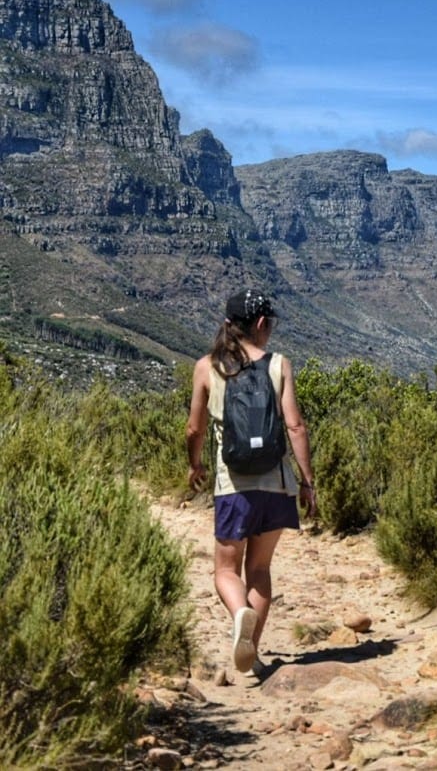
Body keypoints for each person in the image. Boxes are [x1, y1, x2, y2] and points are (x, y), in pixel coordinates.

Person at [185, 289, 318, 677]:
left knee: (226, 571)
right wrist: (307, 482)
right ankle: (253, 653)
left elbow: (194, 428)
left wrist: (194, 465)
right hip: (277, 484)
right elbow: (295, 425)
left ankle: (239, 612)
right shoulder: (280, 365)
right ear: (261, 325)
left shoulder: (206, 367)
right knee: (260, 570)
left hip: (234, 485)